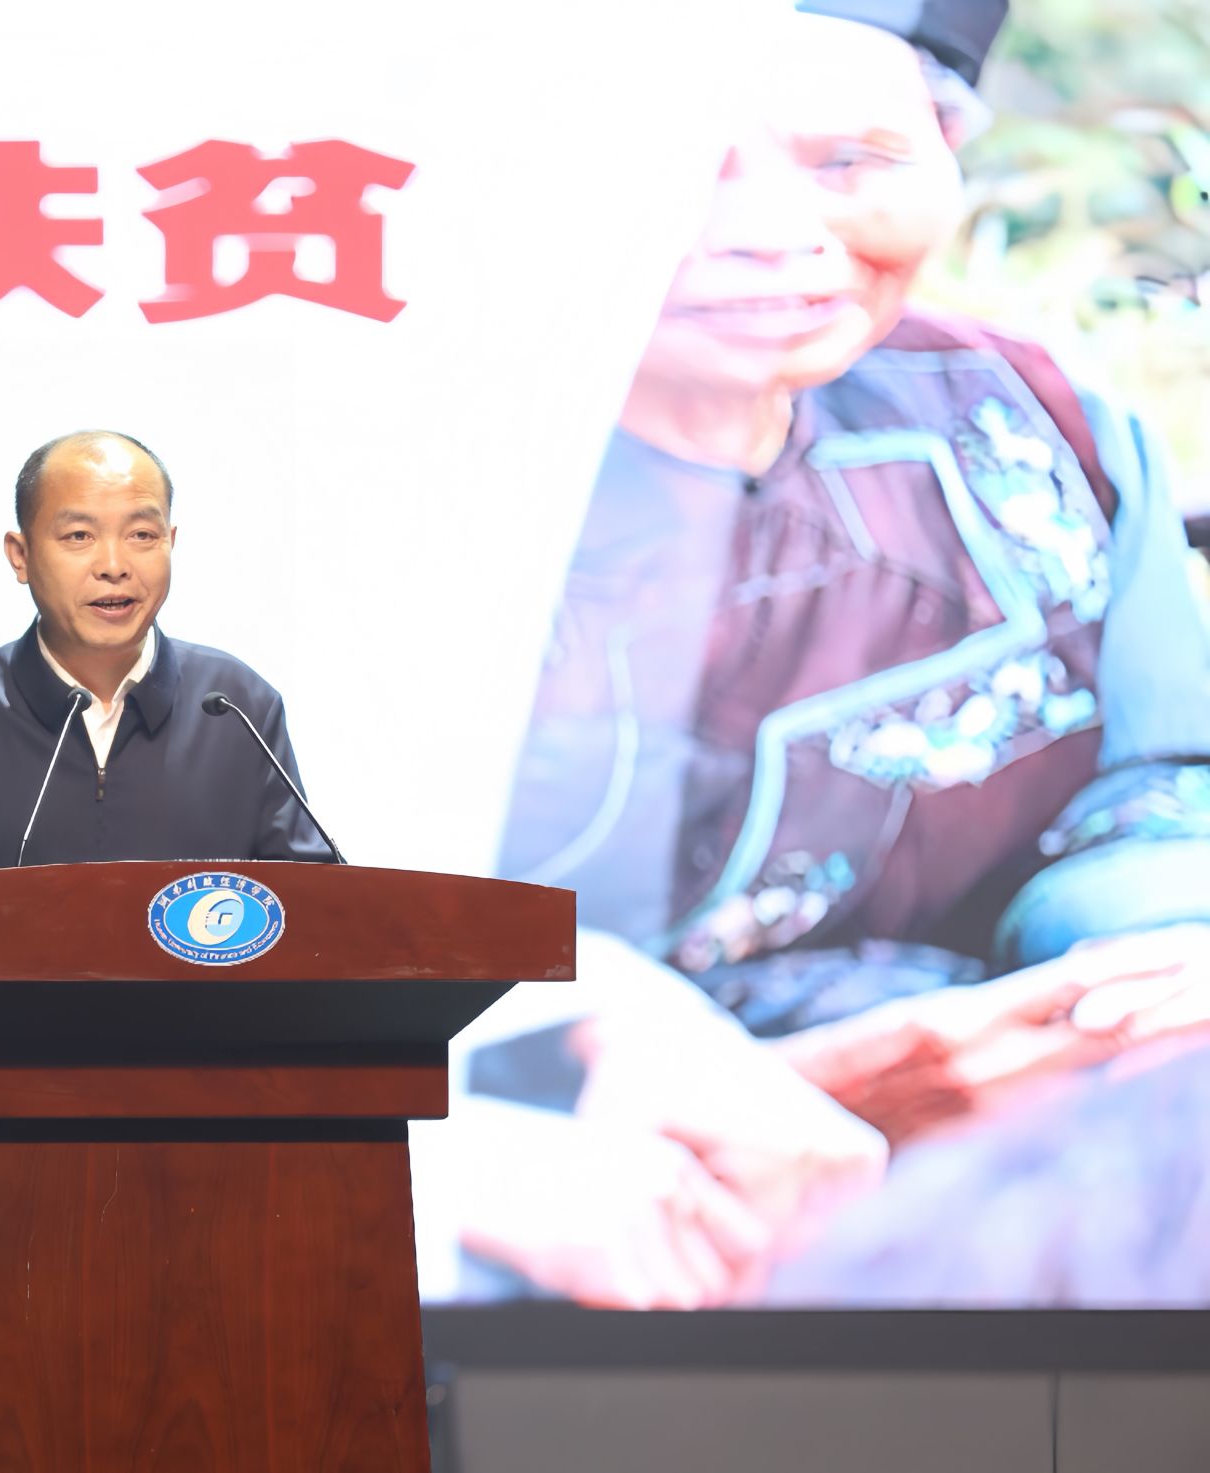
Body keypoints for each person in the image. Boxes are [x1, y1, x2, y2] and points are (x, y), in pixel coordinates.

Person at [450, 0, 1210, 1307]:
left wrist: (1141, 971)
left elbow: (1145, 792)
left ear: (950, 153)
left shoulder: (1025, 421)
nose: (769, 229)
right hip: (568, 1179)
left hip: (1026, 1147)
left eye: (852, 161)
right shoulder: (361, 480)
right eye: (675, 167)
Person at [0, 429, 333, 886]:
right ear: (20, 555)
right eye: (79, 536)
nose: (114, 566)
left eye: (141, 535)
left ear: (171, 542)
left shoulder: (238, 706)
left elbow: (315, 908)